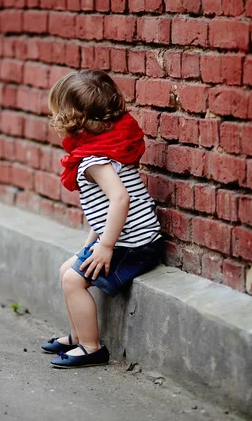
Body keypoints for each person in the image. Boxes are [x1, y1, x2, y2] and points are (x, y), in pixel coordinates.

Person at [42, 69, 162, 369]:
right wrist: (94, 240)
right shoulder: (105, 148)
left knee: (73, 280)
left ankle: (91, 348)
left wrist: (106, 246)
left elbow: (121, 199)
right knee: (66, 269)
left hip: (134, 245)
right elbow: (105, 208)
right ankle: (76, 335)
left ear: (73, 119)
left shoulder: (95, 160)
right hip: (123, 239)